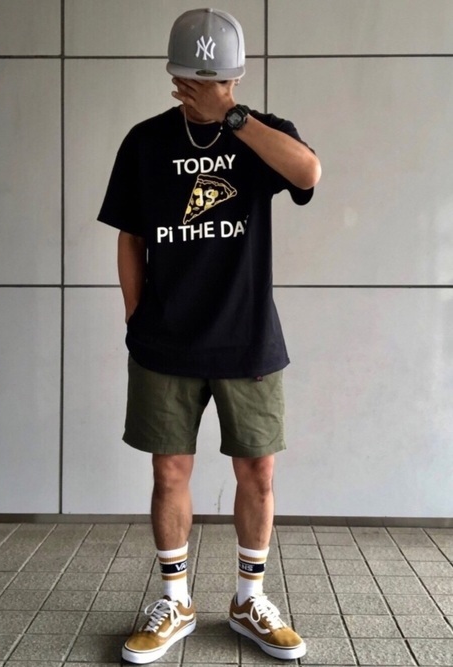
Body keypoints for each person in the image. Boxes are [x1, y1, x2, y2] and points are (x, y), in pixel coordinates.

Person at [98, 7, 321, 665]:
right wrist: (136, 317)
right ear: (174, 76)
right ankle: (175, 600)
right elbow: (130, 237)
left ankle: (250, 598)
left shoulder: (262, 134)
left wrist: (234, 117)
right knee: (169, 469)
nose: (206, 88)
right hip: (165, 341)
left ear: (236, 77)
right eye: (197, 80)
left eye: (219, 80)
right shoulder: (145, 142)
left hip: (248, 337)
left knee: (258, 469)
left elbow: (308, 173)